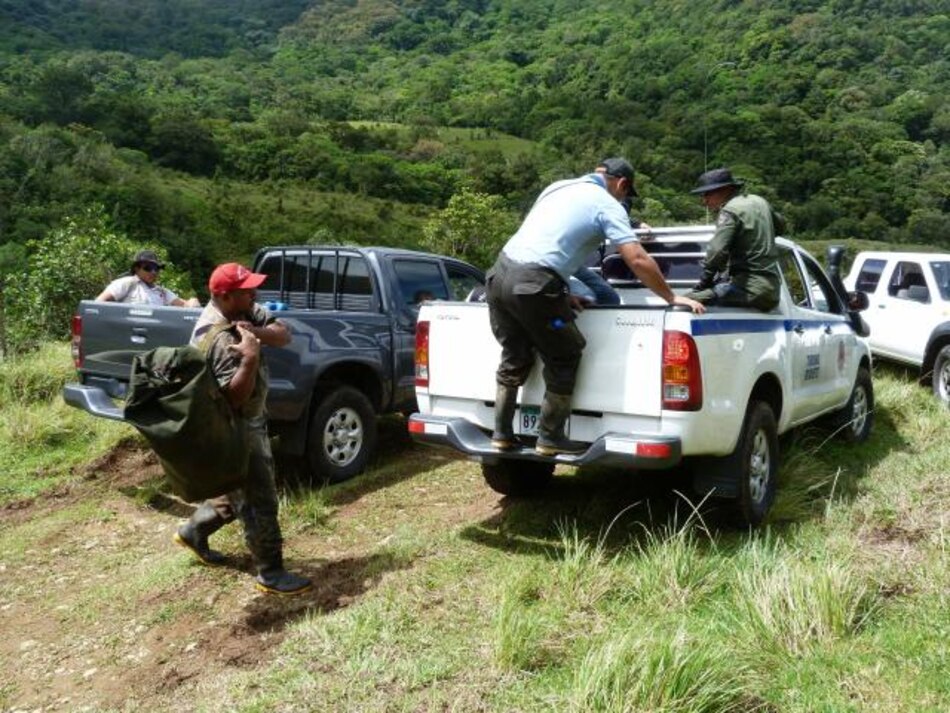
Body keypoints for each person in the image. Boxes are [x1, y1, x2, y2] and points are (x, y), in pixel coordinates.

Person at [485, 158, 705, 456]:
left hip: (498, 278)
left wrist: (558, 294)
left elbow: (545, 242)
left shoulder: (557, 187)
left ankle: (501, 434)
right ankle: (550, 437)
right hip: (534, 285)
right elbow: (636, 258)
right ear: (622, 184)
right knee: (565, 353)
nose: (623, 199)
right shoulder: (607, 204)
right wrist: (671, 297)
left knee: (515, 353)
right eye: (625, 194)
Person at [173, 262, 312, 596]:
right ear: (224, 296)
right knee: (258, 498)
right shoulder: (217, 336)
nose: (255, 294)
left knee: (235, 489)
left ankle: (193, 532)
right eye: (247, 290)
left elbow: (283, 334)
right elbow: (233, 399)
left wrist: (255, 333)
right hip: (234, 428)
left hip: (249, 420)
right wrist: (249, 358)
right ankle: (271, 573)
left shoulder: (245, 310)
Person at [686, 168, 785, 311]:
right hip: (772, 292)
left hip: (748, 289)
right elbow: (780, 227)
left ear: (725, 190)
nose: (704, 201)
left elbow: (717, 251)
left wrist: (704, 282)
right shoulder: (760, 202)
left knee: (684, 300)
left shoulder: (729, 210)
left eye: (707, 194)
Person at [96, 249, 200, 307]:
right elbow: (99, 303)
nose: (153, 272)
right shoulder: (127, 283)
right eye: (148, 268)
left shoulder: (162, 292)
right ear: (137, 269)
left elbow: (184, 305)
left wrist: (192, 302)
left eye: (156, 268)